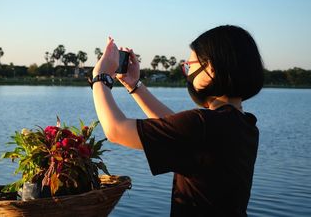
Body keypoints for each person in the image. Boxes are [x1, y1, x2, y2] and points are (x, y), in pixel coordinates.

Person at [90, 25, 264, 217]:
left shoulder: (203, 125)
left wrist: (100, 78)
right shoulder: (243, 125)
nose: (187, 72)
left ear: (211, 69)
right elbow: (176, 129)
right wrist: (134, 85)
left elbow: (116, 130)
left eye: (190, 65)